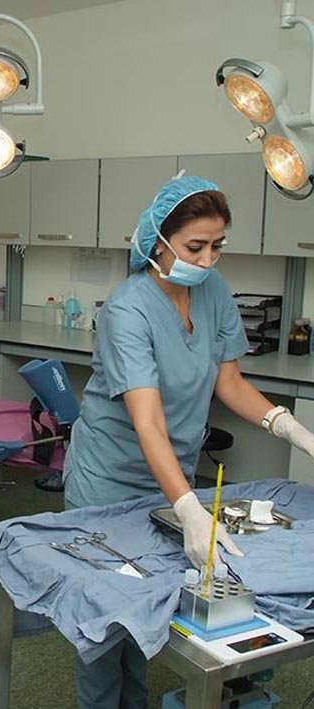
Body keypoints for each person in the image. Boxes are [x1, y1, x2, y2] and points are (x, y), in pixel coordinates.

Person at [63, 175, 314, 709]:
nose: (207, 260)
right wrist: (188, 508)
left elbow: (230, 383)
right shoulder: (128, 310)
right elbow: (148, 422)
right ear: (158, 241)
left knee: (149, 601)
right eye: (195, 246)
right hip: (109, 477)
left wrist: (292, 428)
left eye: (217, 246)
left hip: (171, 475)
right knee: (106, 617)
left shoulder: (213, 291)